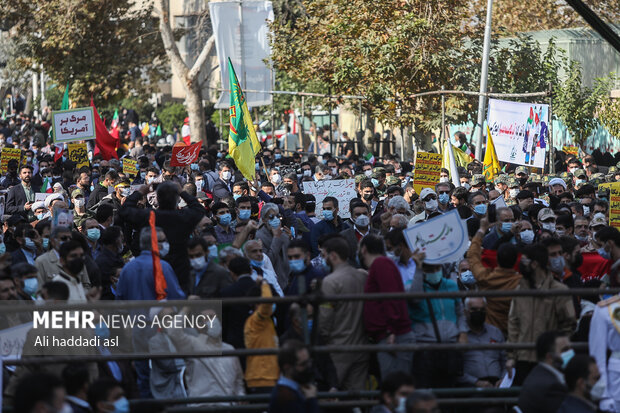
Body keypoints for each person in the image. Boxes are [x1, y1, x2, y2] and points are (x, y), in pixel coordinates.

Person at [507, 244, 577, 385]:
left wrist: (558, 349)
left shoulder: (560, 291)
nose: (521, 265)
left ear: (534, 264)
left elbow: (570, 323)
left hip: (549, 359)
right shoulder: (520, 290)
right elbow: (513, 323)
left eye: (524, 261)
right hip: (523, 358)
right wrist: (511, 356)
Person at [121, 181, 204, 292]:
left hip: (154, 272)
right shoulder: (183, 217)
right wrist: (182, 192)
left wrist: (140, 192)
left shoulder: (149, 216)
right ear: (177, 199)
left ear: (158, 199)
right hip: (179, 271)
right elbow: (199, 209)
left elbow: (125, 210)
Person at [360, 234, 414, 378]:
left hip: (393, 336)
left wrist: (391, 331)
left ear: (363, 249)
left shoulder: (381, 264)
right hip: (387, 335)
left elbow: (391, 296)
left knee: (396, 383)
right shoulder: (381, 265)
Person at [319, 236, 369, 390]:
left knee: (332, 393)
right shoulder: (362, 276)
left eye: (324, 255)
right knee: (357, 397)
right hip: (362, 347)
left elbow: (325, 319)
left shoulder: (330, 282)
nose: (323, 259)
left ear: (333, 255)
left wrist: (322, 339)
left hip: (338, 348)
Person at [467, 216, 521, 335]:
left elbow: (472, 255)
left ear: (497, 260)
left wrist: (481, 229)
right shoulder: (522, 282)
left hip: (493, 331)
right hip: (516, 331)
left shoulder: (485, 277)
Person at [115, 226, 185, 301]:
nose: (166, 243)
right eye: (164, 240)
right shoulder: (163, 267)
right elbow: (176, 297)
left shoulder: (127, 268)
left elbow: (119, 298)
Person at [517, 331, 571, 413]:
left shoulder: (538, 373)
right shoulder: (552, 386)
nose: (570, 353)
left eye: (570, 349)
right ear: (549, 357)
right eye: (565, 350)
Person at [458, 297, 506, 388]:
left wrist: (503, 379)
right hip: (471, 387)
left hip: (497, 385)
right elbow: (456, 370)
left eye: (482, 310)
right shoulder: (460, 336)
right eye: (474, 309)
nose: (478, 312)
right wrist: (476, 382)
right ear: (465, 312)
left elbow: (505, 360)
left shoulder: (495, 332)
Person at [244, 278, 279, 393]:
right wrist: (264, 283)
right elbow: (267, 303)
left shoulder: (264, 320)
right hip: (262, 377)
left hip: (265, 375)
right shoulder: (257, 320)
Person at [269, 339, 319, 413]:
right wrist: (311, 401)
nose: (308, 367)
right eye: (303, 364)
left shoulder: (292, 390)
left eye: (309, 362)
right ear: (287, 367)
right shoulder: (285, 396)